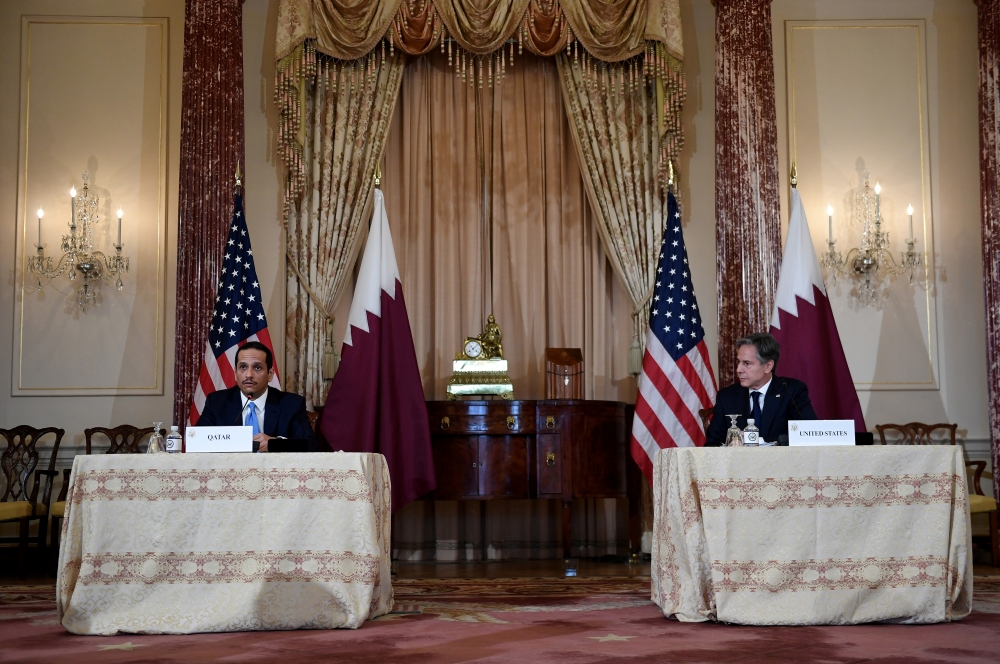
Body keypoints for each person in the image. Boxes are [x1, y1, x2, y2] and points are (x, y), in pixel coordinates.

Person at [197, 341, 317, 452]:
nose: (249, 375)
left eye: (257, 368)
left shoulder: (291, 404)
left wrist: (275, 444)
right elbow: (197, 441)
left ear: (270, 374)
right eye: (243, 367)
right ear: (235, 373)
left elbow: (310, 445)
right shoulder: (217, 403)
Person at [705, 332, 817, 446]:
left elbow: (810, 433)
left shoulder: (791, 391)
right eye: (738, 362)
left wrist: (759, 440)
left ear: (768, 366)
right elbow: (712, 443)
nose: (739, 369)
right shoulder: (726, 397)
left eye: (747, 363)